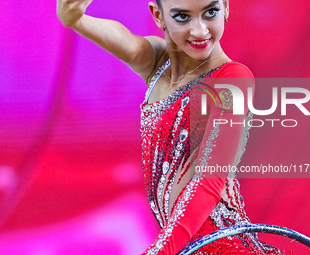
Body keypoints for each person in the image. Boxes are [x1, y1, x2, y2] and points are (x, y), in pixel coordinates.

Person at [57, 0, 283, 254]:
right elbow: (126, 41)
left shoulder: (232, 78)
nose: (199, 31)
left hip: (219, 247)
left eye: (210, 12)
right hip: (182, 247)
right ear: (158, 16)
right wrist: (76, 20)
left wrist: (161, 251)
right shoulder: (158, 63)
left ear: (226, 7)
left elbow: (208, 180)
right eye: (183, 17)